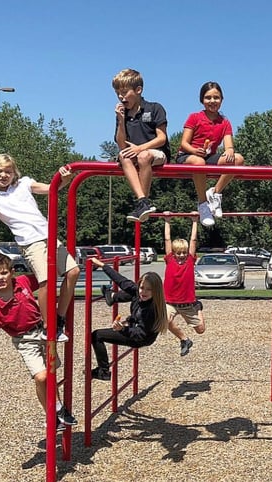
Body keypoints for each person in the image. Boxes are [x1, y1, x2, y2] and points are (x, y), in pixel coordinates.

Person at [0, 153, 80, 342]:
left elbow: (51, 189)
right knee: (46, 281)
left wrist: (65, 179)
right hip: (30, 242)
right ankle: (47, 327)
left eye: (7, 171)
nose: (3, 175)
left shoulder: (24, 183)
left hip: (48, 236)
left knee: (73, 271)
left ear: (14, 172)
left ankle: (58, 318)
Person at [0, 253, 78, 432]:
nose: (0, 278)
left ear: (12, 273)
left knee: (51, 373)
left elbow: (46, 280)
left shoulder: (22, 282)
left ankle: (58, 411)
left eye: (3, 273)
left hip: (43, 332)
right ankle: (51, 413)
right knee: (42, 376)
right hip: (24, 340)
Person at [176, 82, 245, 227]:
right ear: (202, 100)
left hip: (208, 157)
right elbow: (184, 143)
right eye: (208, 98)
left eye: (216, 98)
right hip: (188, 155)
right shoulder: (194, 117)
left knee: (238, 159)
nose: (212, 101)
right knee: (199, 162)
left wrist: (230, 150)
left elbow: (229, 146)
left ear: (222, 100)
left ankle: (215, 193)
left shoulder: (224, 122)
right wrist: (194, 151)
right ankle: (203, 204)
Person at [90, 258, 168, 380]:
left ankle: (103, 371)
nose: (144, 291)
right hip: (136, 327)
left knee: (97, 335)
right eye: (142, 287)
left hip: (141, 338)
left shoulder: (151, 310)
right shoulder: (139, 293)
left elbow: (140, 335)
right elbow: (121, 280)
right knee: (131, 291)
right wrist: (103, 265)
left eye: (149, 289)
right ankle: (113, 296)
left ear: (156, 291)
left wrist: (123, 329)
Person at [112, 68, 171, 222]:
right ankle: (142, 202)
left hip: (155, 153)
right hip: (133, 155)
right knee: (122, 155)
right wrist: (120, 120)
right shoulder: (122, 113)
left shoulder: (154, 108)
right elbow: (121, 143)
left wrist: (140, 148)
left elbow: (162, 138)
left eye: (124, 92)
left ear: (138, 90)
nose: (120, 96)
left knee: (144, 156)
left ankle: (141, 203)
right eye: (117, 92)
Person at [162, 212, 206, 356]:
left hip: (188, 303)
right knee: (165, 320)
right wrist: (167, 220)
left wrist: (195, 221)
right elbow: (167, 239)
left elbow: (193, 240)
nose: (181, 255)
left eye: (183, 253)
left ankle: (198, 307)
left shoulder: (190, 260)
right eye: (178, 253)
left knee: (201, 330)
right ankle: (184, 340)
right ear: (173, 253)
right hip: (170, 302)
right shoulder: (170, 259)